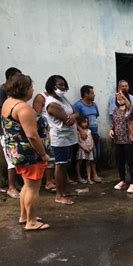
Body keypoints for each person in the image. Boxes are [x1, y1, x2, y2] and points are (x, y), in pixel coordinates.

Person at [1, 74, 50, 230]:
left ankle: (24, 216)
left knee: (26, 185)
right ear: (24, 90)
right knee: (32, 188)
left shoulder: (8, 103)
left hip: (16, 150)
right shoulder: (23, 108)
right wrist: (43, 154)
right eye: (30, 87)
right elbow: (32, 136)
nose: (32, 90)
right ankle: (32, 221)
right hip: (30, 153)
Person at [45, 75, 78, 205]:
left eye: (64, 84)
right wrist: (72, 117)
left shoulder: (63, 98)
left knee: (66, 164)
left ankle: (64, 191)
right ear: (52, 86)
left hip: (69, 137)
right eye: (60, 85)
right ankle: (59, 195)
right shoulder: (52, 103)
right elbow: (67, 120)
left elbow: (75, 113)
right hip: (60, 138)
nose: (63, 87)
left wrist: (73, 116)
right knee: (60, 165)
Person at [0, 67, 22, 198]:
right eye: (18, 76)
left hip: (15, 130)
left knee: (17, 158)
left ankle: (17, 184)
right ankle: (11, 187)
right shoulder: (1, 90)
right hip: (5, 131)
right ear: (10, 77)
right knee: (11, 159)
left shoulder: (14, 91)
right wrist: (12, 111)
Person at [109, 91, 133, 193]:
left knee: (131, 162)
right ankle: (122, 180)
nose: (119, 99)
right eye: (118, 97)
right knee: (120, 162)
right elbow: (114, 123)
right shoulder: (116, 110)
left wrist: (124, 97)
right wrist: (111, 129)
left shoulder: (130, 109)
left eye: (121, 97)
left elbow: (132, 107)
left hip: (129, 140)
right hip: (118, 140)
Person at [73, 85, 102, 182]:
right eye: (92, 93)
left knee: (96, 155)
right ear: (85, 94)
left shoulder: (94, 105)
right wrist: (81, 130)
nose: (94, 95)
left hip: (94, 133)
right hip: (85, 136)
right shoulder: (78, 105)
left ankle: (93, 174)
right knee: (86, 157)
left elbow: (96, 116)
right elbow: (74, 120)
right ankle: (91, 175)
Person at [32, 90, 56, 192]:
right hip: (45, 133)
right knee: (48, 157)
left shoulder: (58, 98)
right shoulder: (41, 97)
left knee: (53, 158)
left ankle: (51, 180)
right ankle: (48, 182)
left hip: (55, 132)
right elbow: (36, 116)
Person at [75, 116, 94, 184]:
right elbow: (77, 141)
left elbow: (91, 139)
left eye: (86, 122)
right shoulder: (78, 132)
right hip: (82, 149)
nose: (85, 124)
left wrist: (91, 147)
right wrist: (84, 148)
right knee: (79, 162)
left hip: (89, 149)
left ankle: (89, 178)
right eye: (83, 122)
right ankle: (79, 177)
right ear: (80, 123)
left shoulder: (89, 131)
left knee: (88, 163)